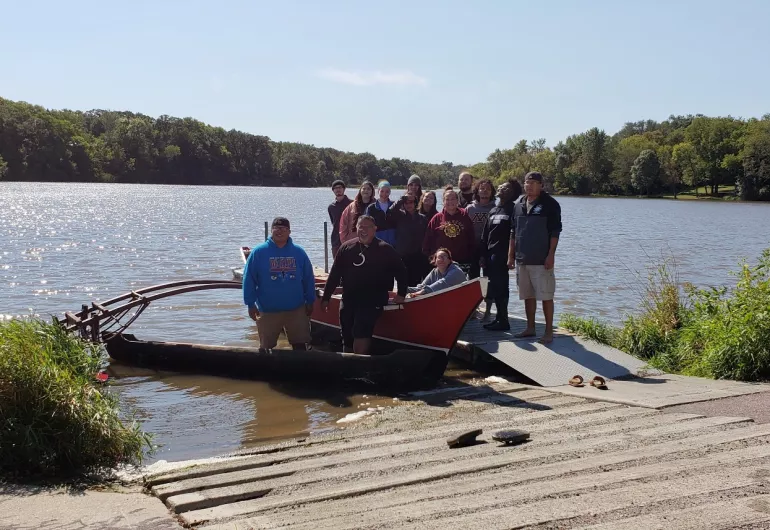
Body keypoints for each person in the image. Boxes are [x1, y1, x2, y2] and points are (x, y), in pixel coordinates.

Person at [321, 215, 408, 354]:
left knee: (361, 329)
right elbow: (335, 274)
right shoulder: (346, 248)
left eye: (367, 227)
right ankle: (348, 366)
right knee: (347, 331)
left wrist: (401, 293)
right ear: (356, 228)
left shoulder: (385, 249)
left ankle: (360, 364)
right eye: (360, 226)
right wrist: (326, 297)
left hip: (373, 299)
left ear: (375, 229)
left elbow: (401, 272)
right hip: (349, 297)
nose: (363, 230)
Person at [242, 217, 316, 350]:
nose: (279, 231)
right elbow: (249, 279)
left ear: (289, 231)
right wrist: (250, 304)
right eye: (276, 228)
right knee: (266, 348)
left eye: (283, 229)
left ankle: (300, 370)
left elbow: (308, 278)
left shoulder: (299, 252)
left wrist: (310, 300)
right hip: (268, 310)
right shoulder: (259, 252)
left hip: (296, 309)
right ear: (271, 231)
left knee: (300, 346)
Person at [508, 171, 562, 344]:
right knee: (527, 295)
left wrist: (551, 255)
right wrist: (510, 256)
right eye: (526, 182)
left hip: (542, 260)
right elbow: (513, 233)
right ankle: (530, 328)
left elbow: (555, 232)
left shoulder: (550, 204)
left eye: (533, 182)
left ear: (541, 185)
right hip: (522, 259)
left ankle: (548, 332)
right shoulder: (518, 204)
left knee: (546, 295)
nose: (529, 186)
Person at [480, 179, 522, 329]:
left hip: (502, 256)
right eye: (501, 186)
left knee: (502, 287)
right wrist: (482, 255)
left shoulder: (514, 210)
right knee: (492, 287)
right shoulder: (493, 210)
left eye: (505, 187)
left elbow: (516, 234)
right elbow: (485, 236)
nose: (501, 187)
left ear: (511, 193)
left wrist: (511, 256)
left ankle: (504, 321)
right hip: (490, 256)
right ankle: (498, 318)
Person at [422, 186, 475, 272]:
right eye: (447, 199)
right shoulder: (436, 218)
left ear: (457, 201)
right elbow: (427, 241)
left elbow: (471, 238)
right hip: (441, 262)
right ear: (443, 202)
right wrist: (433, 258)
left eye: (453, 199)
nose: (450, 202)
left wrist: (471, 257)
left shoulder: (464, 216)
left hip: (462, 261)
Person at [388, 191, 429, 286]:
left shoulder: (422, 218)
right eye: (406, 203)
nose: (408, 205)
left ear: (416, 203)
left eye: (411, 202)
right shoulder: (399, 216)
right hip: (403, 256)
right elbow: (390, 211)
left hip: (418, 256)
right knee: (402, 283)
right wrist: (402, 198)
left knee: (415, 283)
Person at [465, 178, 496, 280]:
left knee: (490, 278)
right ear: (477, 191)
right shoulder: (470, 208)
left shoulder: (495, 208)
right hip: (472, 247)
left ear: (492, 192)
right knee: (472, 278)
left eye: (488, 189)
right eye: (482, 188)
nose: (485, 191)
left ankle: (489, 296)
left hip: (489, 248)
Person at [365, 181, 396, 246]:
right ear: (378, 191)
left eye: (387, 191)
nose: (384, 194)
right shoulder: (371, 208)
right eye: (382, 191)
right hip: (377, 244)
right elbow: (367, 226)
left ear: (390, 192)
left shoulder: (395, 205)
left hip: (393, 244)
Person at [328, 179, 352, 258]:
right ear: (333, 190)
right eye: (335, 188)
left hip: (350, 238)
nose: (338, 189)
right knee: (337, 263)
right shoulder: (331, 207)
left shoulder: (352, 204)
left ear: (344, 189)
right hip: (336, 239)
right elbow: (333, 222)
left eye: (340, 187)